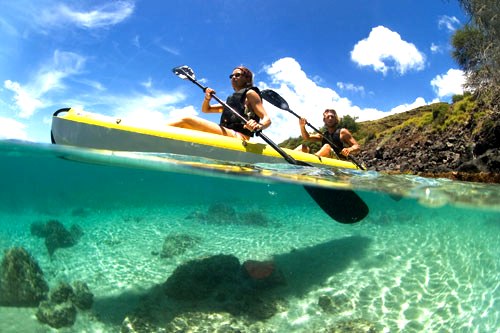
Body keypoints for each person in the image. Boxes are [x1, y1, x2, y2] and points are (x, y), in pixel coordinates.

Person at [167, 66, 271, 140]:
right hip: (226, 134)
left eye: (237, 75)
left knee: (186, 120)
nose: (233, 77)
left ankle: (151, 134)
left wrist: (259, 126)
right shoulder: (231, 101)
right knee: (186, 127)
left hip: (240, 137)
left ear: (247, 78)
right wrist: (207, 98)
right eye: (231, 76)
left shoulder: (250, 93)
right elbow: (206, 110)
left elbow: (267, 119)